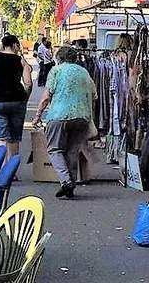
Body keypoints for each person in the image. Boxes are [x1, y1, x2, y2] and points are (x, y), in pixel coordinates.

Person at [32, 46, 96, 199]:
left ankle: (66, 181)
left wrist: (38, 115)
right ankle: (71, 186)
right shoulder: (84, 72)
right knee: (72, 150)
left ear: (58, 58)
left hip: (59, 115)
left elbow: (46, 97)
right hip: (82, 116)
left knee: (54, 149)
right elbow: (93, 95)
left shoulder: (56, 71)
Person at [0, 34, 33, 162]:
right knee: (14, 138)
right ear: (15, 45)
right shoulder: (20, 60)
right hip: (17, 100)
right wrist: (25, 98)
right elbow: (28, 83)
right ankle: (11, 170)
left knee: (0, 136)